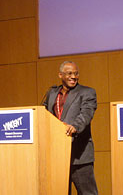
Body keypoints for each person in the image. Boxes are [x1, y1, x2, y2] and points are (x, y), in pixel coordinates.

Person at [43, 61, 98, 195]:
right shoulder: (52, 93)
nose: (73, 76)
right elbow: (44, 114)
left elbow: (86, 114)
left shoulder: (87, 92)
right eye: (69, 73)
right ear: (60, 75)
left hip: (79, 155)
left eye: (76, 73)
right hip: (57, 155)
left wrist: (75, 127)